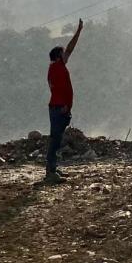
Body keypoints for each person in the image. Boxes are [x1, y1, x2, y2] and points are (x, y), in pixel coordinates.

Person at [43, 19, 83, 184]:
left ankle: (52, 169)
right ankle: (50, 172)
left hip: (58, 107)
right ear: (59, 56)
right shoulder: (57, 68)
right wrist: (78, 31)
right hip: (59, 107)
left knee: (56, 139)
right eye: (63, 53)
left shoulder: (54, 68)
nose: (66, 54)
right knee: (55, 140)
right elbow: (61, 89)